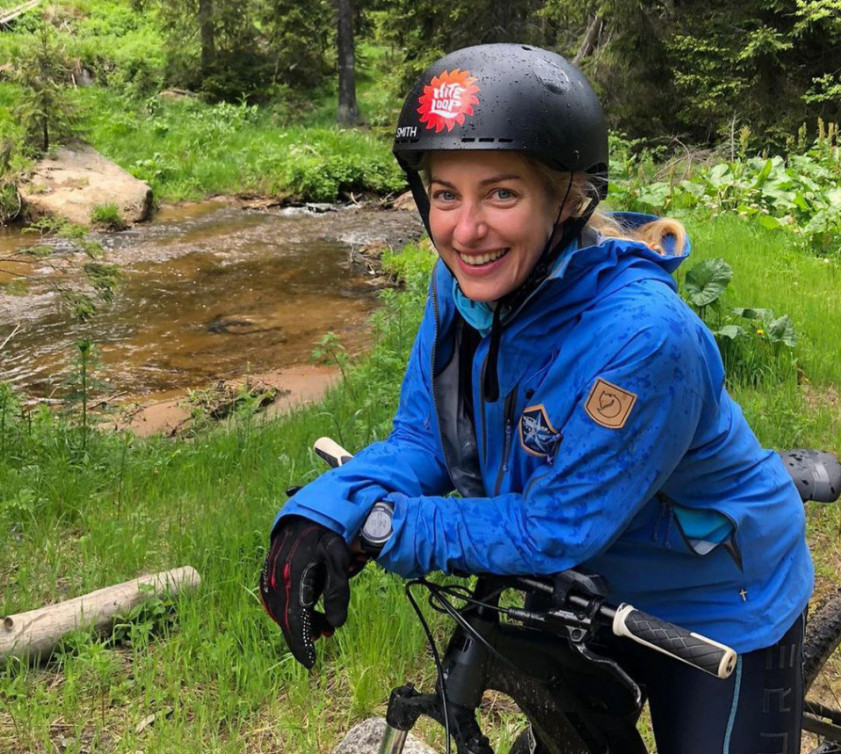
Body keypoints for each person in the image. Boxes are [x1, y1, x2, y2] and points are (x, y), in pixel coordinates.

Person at [260, 43, 813, 754]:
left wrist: (384, 528)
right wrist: (323, 512)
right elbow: (427, 440)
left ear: (568, 198)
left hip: (714, 604)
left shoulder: (644, 338)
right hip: (578, 587)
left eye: (501, 194)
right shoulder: (461, 287)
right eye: (445, 194)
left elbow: (557, 523)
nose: (464, 231)